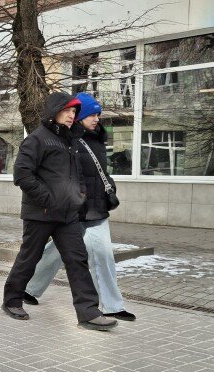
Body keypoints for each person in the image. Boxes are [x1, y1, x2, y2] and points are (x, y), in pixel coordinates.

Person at [2, 91, 117, 331]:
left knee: (78, 260)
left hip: (67, 215)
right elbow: (22, 175)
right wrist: (47, 199)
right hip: (40, 213)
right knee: (29, 258)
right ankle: (12, 300)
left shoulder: (70, 140)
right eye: (67, 110)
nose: (71, 115)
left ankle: (88, 312)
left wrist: (80, 195)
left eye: (74, 111)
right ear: (54, 112)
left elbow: (77, 174)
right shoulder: (37, 139)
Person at [23, 93, 135, 321]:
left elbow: (99, 172)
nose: (96, 119)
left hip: (96, 208)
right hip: (74, 208)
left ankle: (112, 305)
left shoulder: (98, 140)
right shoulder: (68, 140)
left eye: (98, 115)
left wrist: (108, 185)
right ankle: (29, 288)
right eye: (91, 114)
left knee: (98, 254)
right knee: (61, 252)